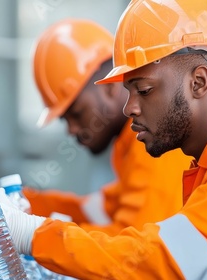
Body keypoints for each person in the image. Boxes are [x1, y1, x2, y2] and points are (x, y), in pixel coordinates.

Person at [0, 0, 207, 279]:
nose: (129, 107)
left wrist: (31, 234)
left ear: (199, 82)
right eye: (127, 91)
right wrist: (22, 207)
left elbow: (163, 263)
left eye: (144, 90)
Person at [23, 19, 192, 235]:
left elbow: (131, 251)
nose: (72, 130)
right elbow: (98, 209)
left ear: (110, 86)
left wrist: (35, 235)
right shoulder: (131, 143)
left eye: (76, 113)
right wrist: (23, 202)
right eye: (64, 119)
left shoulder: (156, 144)